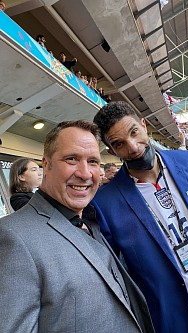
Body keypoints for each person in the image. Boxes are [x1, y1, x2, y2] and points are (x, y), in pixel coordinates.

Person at [92, 101, 188, 333]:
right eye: (119, 144)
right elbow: (119, 267)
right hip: (182, 324)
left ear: (144, 125)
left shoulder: (187, 161)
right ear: (111, 151)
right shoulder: (105, 203)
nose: (134, 147)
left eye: (134, 132)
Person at [0, 120, 155, 333]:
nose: (84, 173)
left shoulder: (94, 219)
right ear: (46, 164)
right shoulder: (12, 236)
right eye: (72, 159)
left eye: (93, 161)